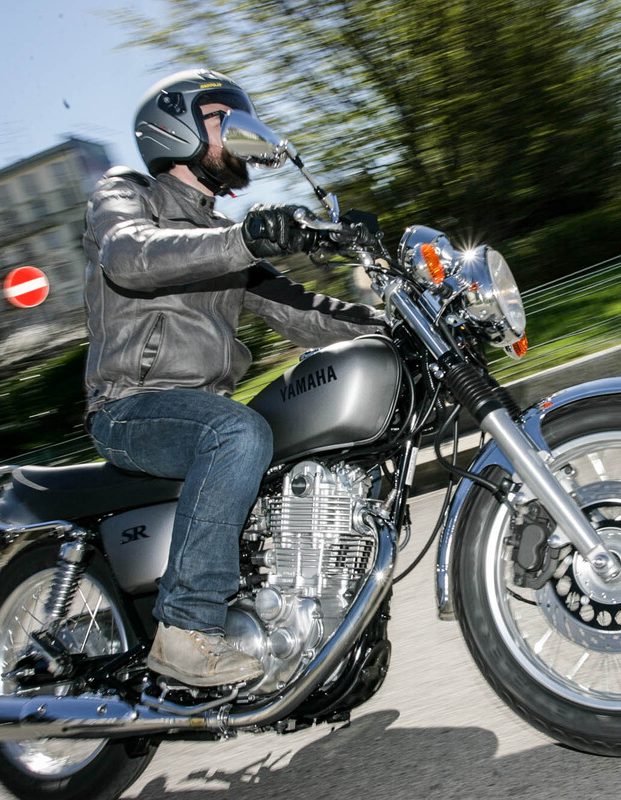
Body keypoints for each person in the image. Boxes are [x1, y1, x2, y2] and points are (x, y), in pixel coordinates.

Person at [82, 69, 384, 688]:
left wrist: (398, 323)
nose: (239, 134)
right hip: (130, 408)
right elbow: (130, 255)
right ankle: (185, 627)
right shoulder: (128, 194)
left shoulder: (222, 238)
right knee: (239, 433)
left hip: (200, 412)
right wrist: (243, 239)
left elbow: (305, 313)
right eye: (221, 120)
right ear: (176, 127)